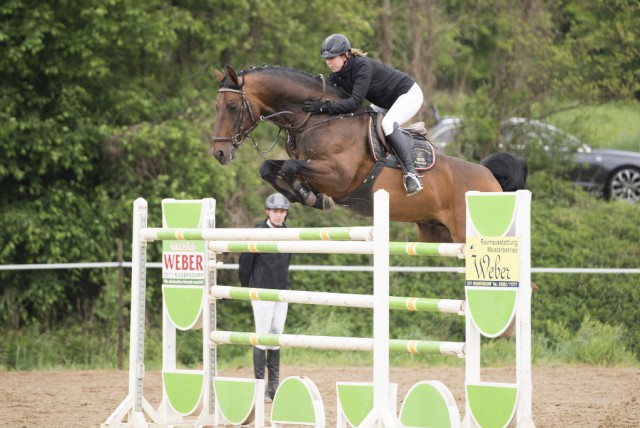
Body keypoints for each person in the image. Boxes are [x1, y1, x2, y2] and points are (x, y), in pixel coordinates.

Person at [302, 33, 424, 196]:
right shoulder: (338, 75)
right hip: (386, 103)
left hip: (409, 94)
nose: (329, 62)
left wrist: (323, 107)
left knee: (388, 124)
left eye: (332, 58)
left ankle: (412, 174)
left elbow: (354, 103)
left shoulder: (362, 66)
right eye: (326, 59)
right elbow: (330, 95)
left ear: (345, 55)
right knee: (363, 120)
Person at [238, 192, 292, 401]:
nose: (279, 215)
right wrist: (247, 289)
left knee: (276, 335)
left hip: (281, 291)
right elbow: (245, 263)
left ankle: (274, 386)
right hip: (261, 290)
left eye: (282, 212)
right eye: (276, 211)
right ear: (268, 212)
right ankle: (260, 387)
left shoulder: (288, 232)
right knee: (262, 335)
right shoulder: (258, 231)